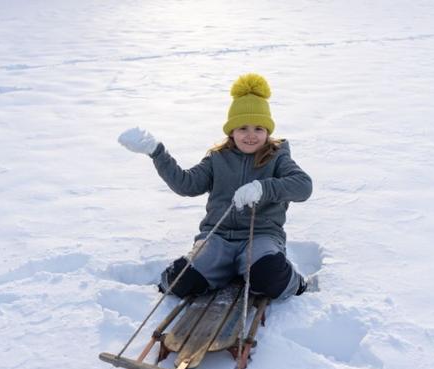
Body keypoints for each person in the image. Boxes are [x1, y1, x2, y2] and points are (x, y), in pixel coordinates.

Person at [117, 73, 316, 301]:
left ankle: (294, 282)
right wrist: (157, 152)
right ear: (231, 130)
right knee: (181, 280)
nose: (251, 136)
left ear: (268, 131)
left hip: (260, 237)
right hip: (217, 238)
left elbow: (303, 186)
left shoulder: (277, 157)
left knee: (268, 275)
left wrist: (263, 188)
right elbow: (187, 184)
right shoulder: (217, 158)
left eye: (258, 129)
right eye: (243, 128)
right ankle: (217, 271)